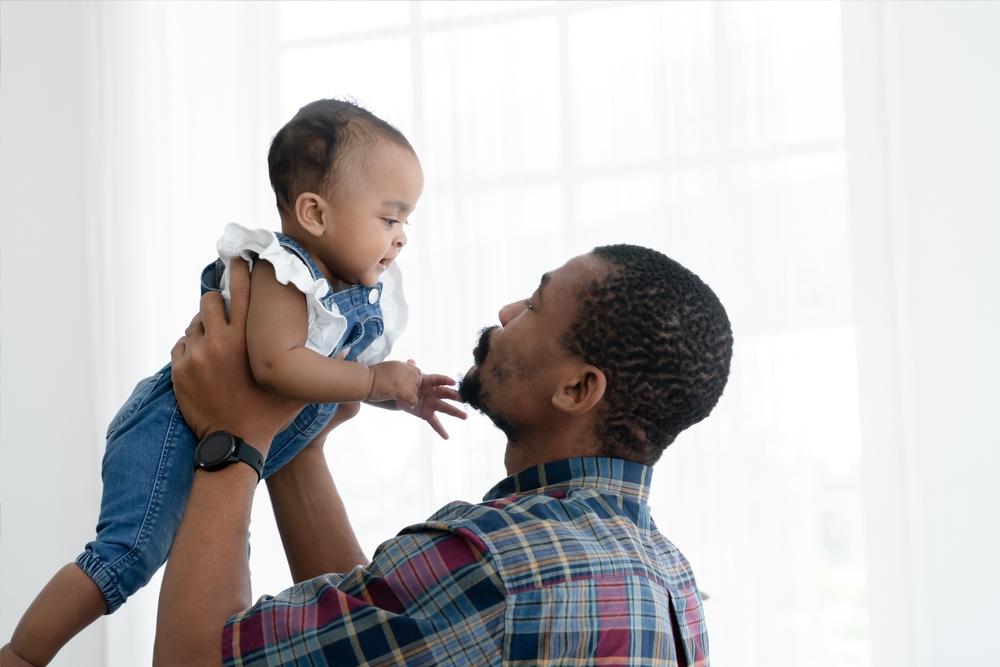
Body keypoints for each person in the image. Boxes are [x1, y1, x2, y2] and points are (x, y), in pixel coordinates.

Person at [2, 99, 466, 667]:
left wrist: (399, 394)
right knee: (126, 555)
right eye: (390, 219)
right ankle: (21, 655)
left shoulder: (352, 295)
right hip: (174, 428)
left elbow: (336, 383)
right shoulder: (283, 271)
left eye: (407, 222)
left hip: (236, 444)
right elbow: (277, 366)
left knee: (223, 573)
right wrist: (372, 380)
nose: (401, 238)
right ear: (315, 214)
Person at [152, 241, 729, 666]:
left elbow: (194, 659)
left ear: (576, 389)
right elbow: (374, 637)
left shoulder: (497, 562)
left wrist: (234, 436)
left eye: (535, 306)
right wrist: (299, 438)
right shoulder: (673, 583)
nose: (506, 313)